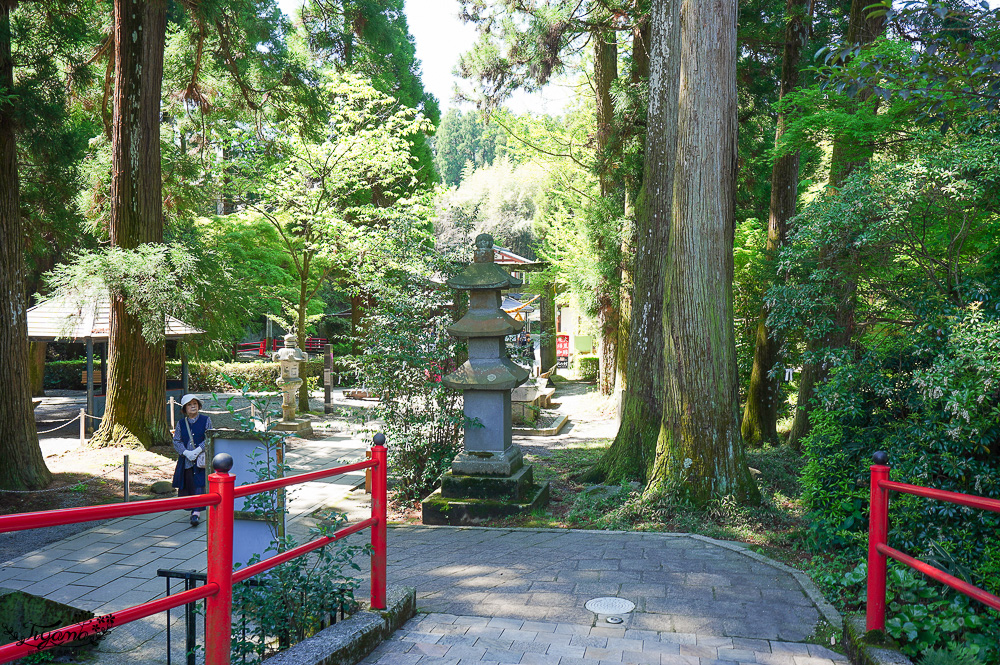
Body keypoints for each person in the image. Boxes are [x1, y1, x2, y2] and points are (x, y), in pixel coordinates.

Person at [172, 394, 212, 526]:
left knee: (200, 484)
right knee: (189, 483)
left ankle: (196, 513)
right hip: (187, 460)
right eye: (189, 404)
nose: (193, 406)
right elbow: (177, 440)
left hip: (201, 459)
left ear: (199, 406)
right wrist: (185, 452)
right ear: (185, 408)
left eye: (195, 403)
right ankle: (192, 508)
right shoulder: (181, 423)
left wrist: (197, 450)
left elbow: (209, 438)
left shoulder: (206, 420)